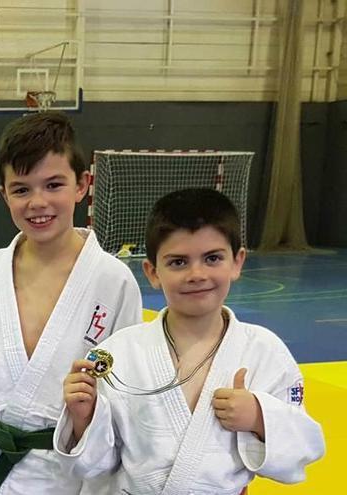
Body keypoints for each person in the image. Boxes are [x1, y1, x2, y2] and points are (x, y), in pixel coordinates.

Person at [56, 188, 325, 493]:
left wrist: (259, 417)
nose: (197, 274)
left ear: (237, 262)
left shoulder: (264, 350)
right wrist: (83, 418)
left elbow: (303, 449)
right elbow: (94, 466)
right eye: (178, 262)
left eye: (212, 258)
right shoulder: (117, 353)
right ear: (152, 272)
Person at [0, 111, 142, 495]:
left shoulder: (114, 283)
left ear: (82, 185)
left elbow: (125, 401)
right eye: (22, 189)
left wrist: (85, 418)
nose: (38, 202)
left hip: (62, 476)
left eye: (53, 184)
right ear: (4, 195)